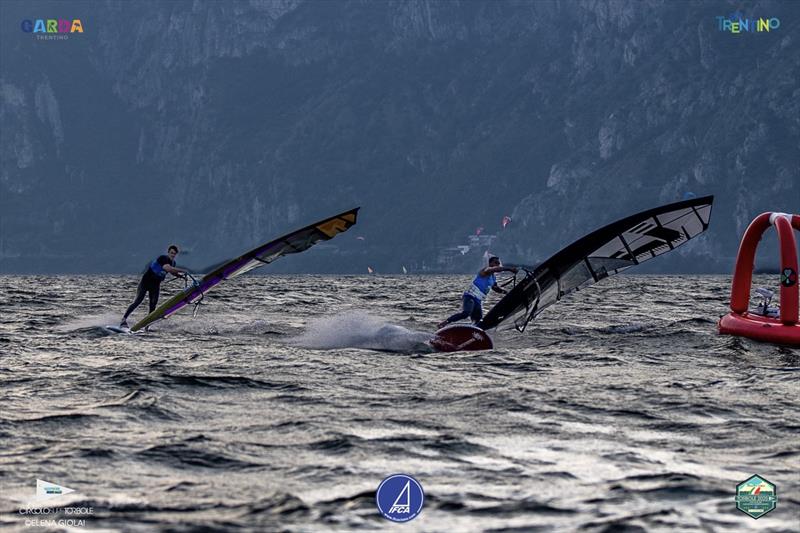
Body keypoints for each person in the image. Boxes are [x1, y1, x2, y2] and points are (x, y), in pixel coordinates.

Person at [438, 256, 518, 329]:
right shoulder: (486, 270)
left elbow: (495, 288)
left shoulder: (493, 278)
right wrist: (510, 269)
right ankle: (445, 323)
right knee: (466, 313)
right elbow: (495, 269)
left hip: (478, 301)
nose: (497, 264)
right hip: (470, 296)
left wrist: (506, 292)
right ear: (490, 263)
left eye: (498, 263)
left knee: (478, 322)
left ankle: (469, 334)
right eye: (495, 263)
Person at [120, 245, 187, 327]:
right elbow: (167, 268)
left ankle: (147, 325)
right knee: (138, 301)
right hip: (145, 282)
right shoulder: (163, 258)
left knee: (153, 305)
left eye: (174, 254)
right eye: (171, 253)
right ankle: (124, 319)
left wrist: (179, 276)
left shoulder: (173, 263)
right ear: (168, 252)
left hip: (155, 285)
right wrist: (183, 270)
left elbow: (172, 272)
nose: (172, 255)